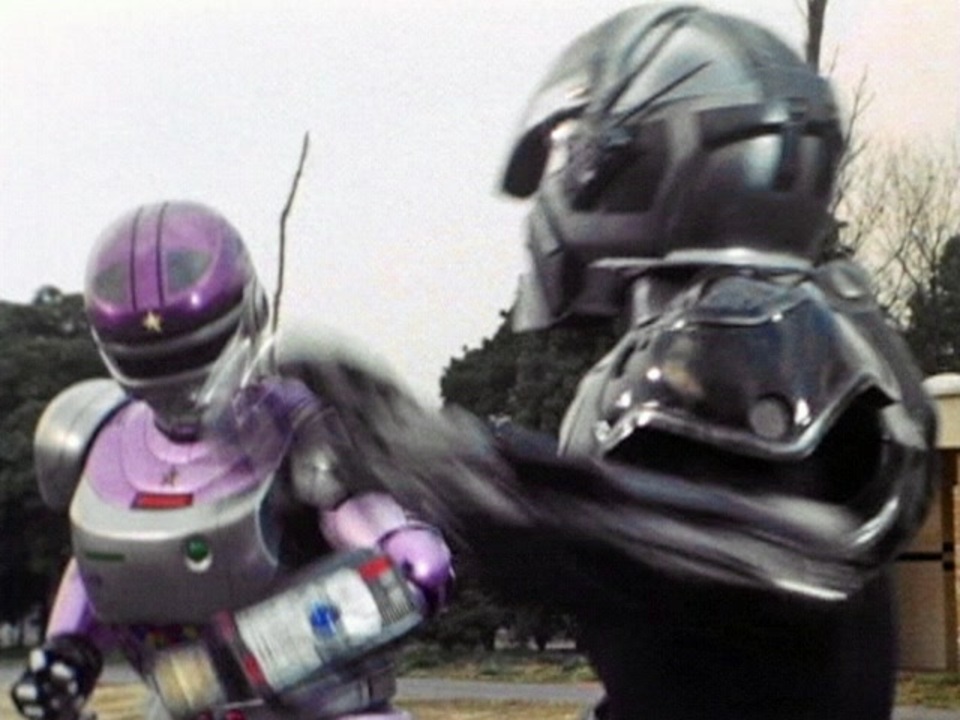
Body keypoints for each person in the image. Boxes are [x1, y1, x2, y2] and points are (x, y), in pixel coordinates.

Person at [310, 6, 937, 720]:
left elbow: (743, 562)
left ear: (647, 155)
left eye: (578, 151)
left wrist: (452, 464)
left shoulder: (743, 329)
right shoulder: (810, 323)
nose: (563, 182)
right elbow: (697, 624)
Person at [10, 201, 453, 720]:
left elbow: (413, 566)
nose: (182, 390)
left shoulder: (302, 429)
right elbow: (96, 562)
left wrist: (401, 550)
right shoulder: (96, 433)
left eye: (190, 357)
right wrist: (66, 657)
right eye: (157, 364)